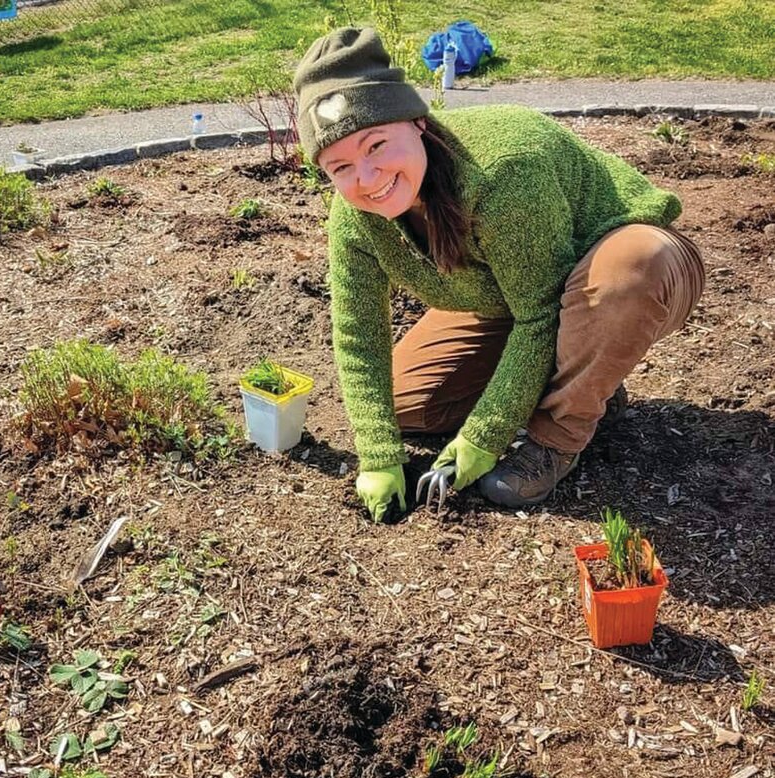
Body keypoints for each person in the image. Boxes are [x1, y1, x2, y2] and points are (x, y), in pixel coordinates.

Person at [293, 27, 706, 523]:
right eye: (340, 166)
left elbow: (539, 313)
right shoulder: (354, 217)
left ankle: (559, 434)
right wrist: (378, 455)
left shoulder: (503, 171)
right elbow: (359, 337)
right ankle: (583, 377)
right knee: (408, 406)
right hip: (513, 299)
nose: (366, 177)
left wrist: (483, 438)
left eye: (376, 145)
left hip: (635, 266)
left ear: (418, 123)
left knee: (628, 272)